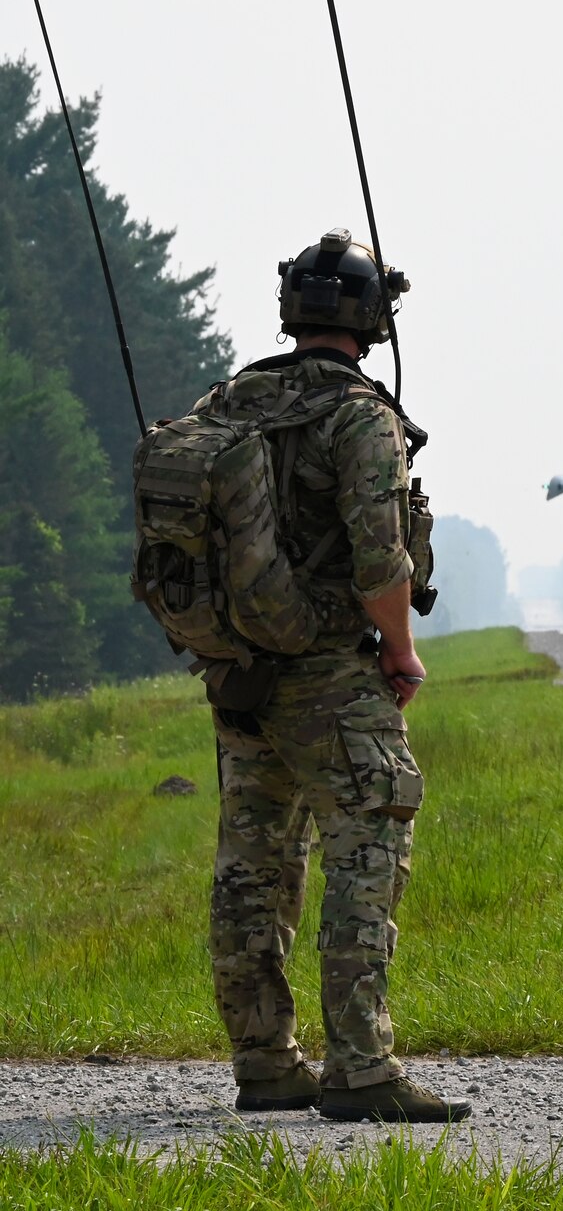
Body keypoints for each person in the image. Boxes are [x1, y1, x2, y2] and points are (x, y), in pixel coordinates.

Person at [205, 230, 466, 1122]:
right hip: (331, 674)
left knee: (254, 861)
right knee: (368, 844)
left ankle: (266, 1060)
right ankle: (360, 1066)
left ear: (293, 311)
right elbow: (380, 557)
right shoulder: (362, 416)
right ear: (370, 319)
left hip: (241, 673)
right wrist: (401, 649)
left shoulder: (232, 400)